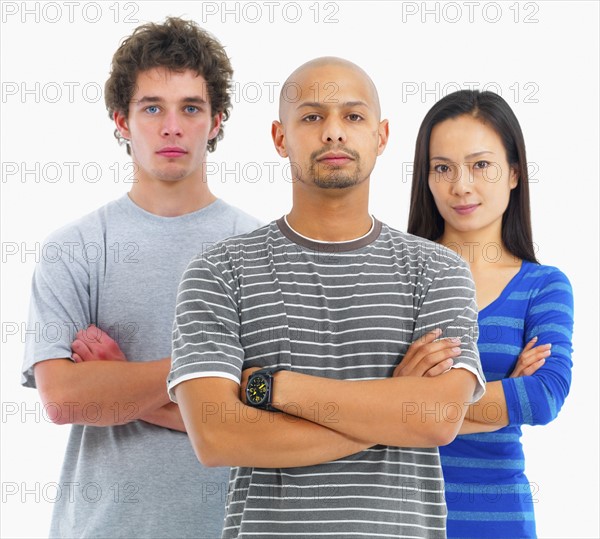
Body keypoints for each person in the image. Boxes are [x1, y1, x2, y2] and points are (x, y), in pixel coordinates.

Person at [168, 57, 486, 539]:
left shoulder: (438, 271)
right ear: (280, 137)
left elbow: (438, 419)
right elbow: (216, 436)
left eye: (353, 117)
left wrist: (275, 388)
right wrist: (392, 409)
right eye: (313, 117)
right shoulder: (219, 270)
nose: (334, 133)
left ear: (381, 136)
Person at [21, 17, 261, 538]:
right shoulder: (74, 247)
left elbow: (266, 415)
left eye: (190, 108)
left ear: (216, 121)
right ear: (122, 121)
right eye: (152, 107)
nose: (171, 126)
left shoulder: (262, 251)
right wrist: (205, 377)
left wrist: (117, 382)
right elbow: (63, 399)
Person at [404, 90, 574, 538]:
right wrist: (503, 398)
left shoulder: (544, 286)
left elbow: (544, 397)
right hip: (398, 515)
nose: (461, 185)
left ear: (514, 172)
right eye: (442, 168)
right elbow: (351, 396)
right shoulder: (392, 276)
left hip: (500, 519)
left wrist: (411, 407)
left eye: (481, 164)